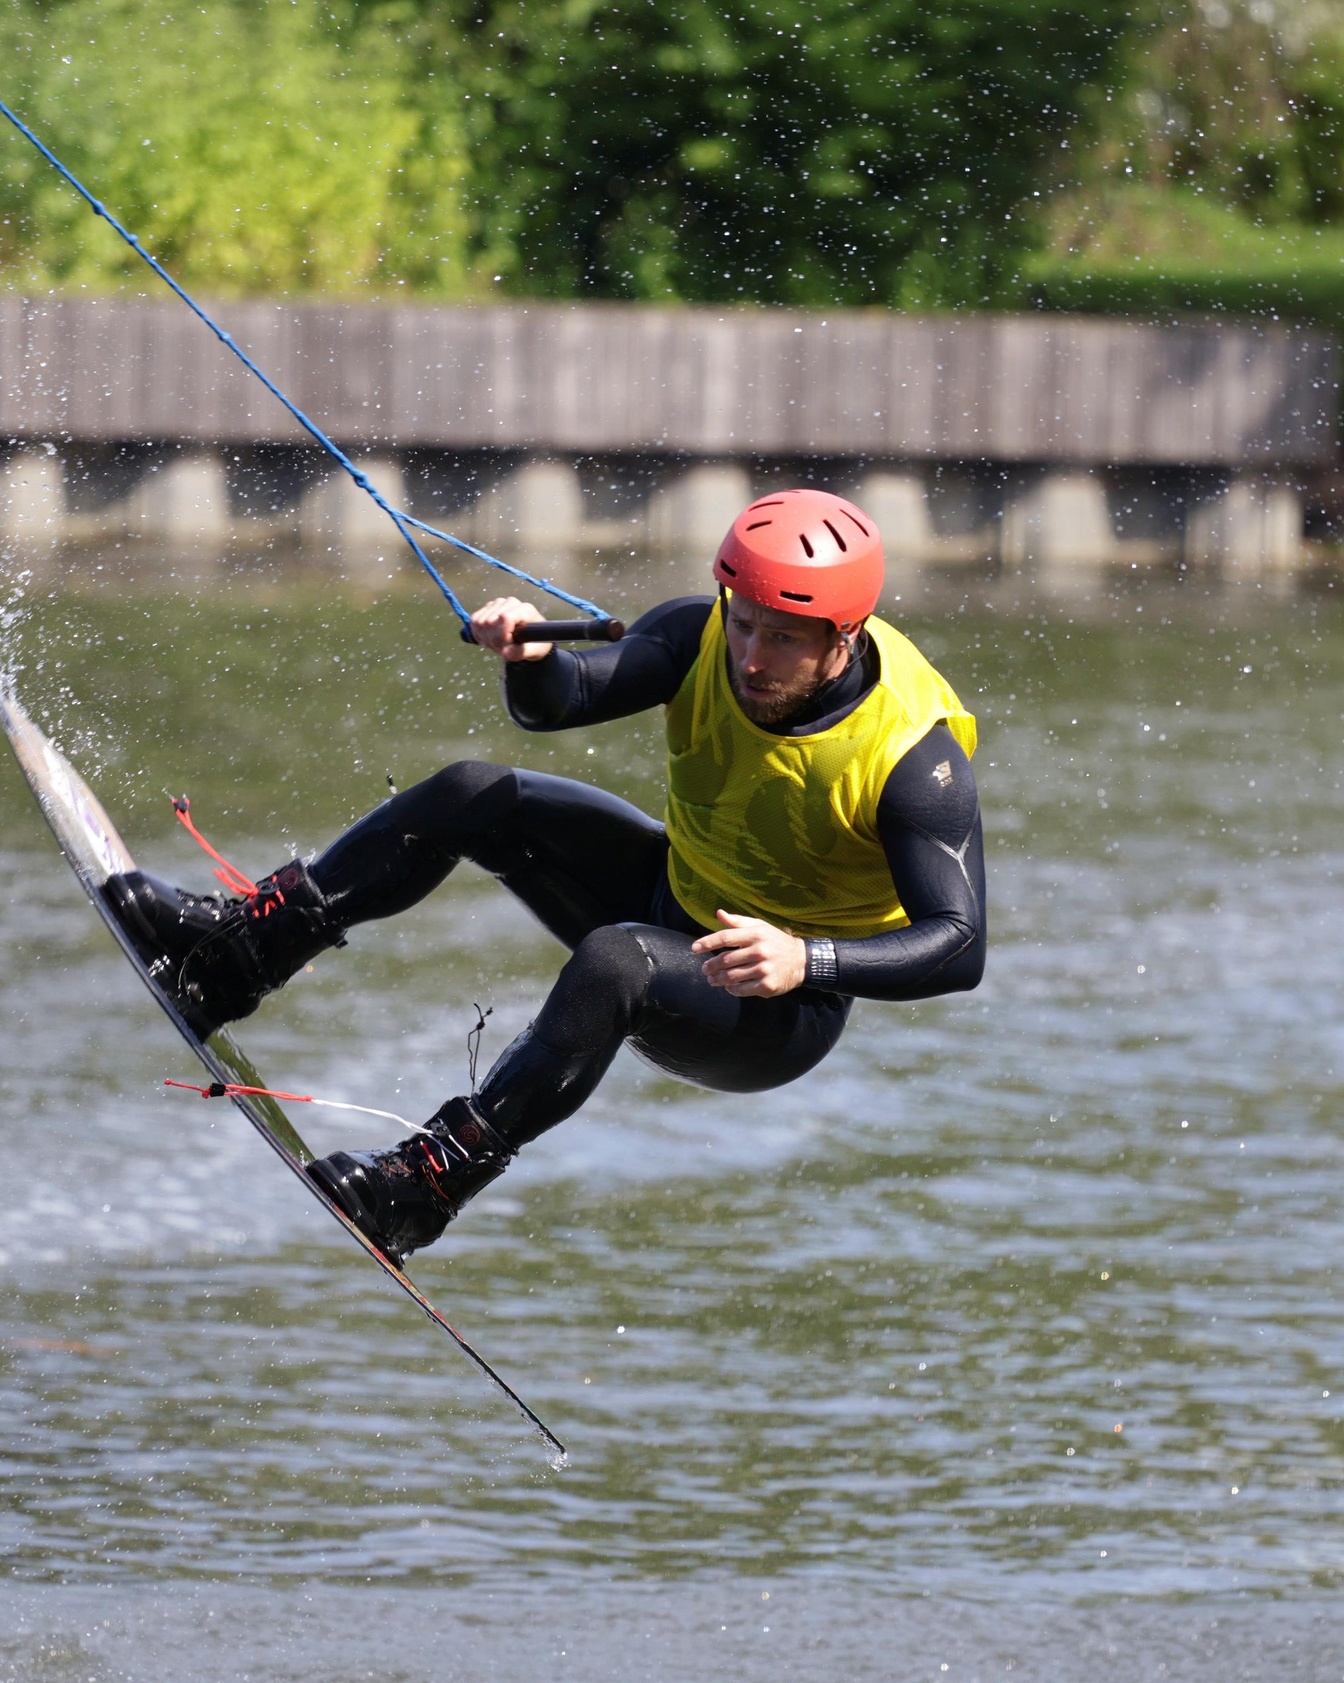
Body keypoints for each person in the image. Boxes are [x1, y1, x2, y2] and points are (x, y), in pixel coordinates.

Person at [104, 489, 986, 1261]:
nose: (750, 658)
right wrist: (530, 661)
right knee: (474, 793)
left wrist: (807, 959)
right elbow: (563, 701)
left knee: (615, 960)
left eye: (783, 640)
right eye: (744, 623)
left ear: (845, 637)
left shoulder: (915, 760)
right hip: (666, 894)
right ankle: (231, 956)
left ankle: (424, 1190)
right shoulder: (702, 634)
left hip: (769, 1009)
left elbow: (960, 945)